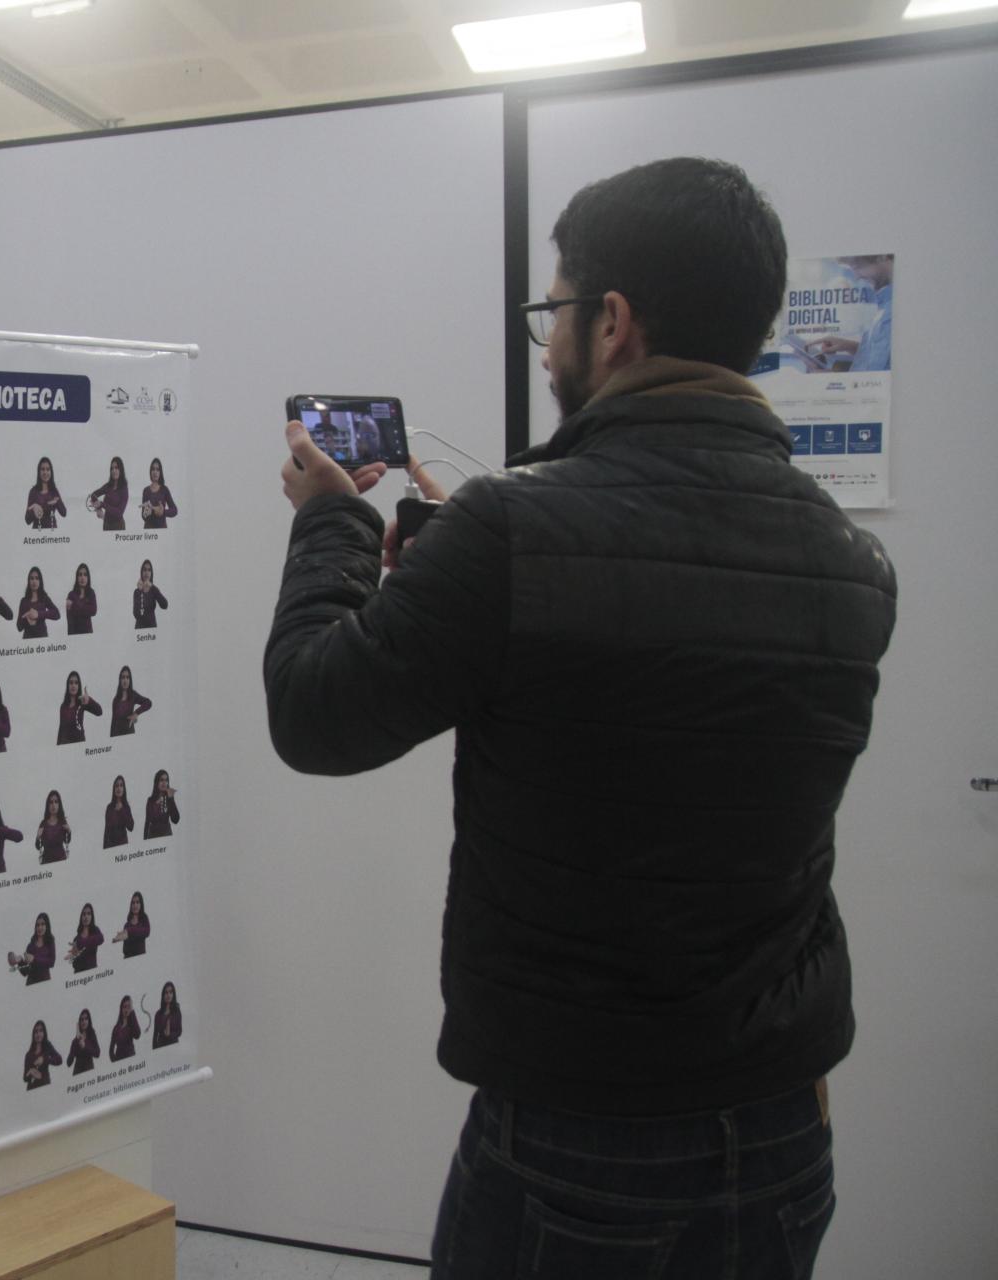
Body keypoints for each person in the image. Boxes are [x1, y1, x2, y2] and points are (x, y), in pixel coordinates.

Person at [263, 158, 896, 1279]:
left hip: (581, 1140)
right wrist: (463, 569)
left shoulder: (510, 536)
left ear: (612, 321)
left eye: (550, 312)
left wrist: (333, 526)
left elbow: (317, 714)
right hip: (786, 1126)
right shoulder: (850, 558)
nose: (546, 342)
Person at [807, 255, 893, 373]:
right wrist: (850, 346)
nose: (856, 277)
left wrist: (832, 378)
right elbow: (879, 358)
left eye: (858, 267)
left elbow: (876, 378)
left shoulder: (894, 309)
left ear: (882, 258)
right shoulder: (882, 304)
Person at [7, 911, 54, 985]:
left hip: (45, 983)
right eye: (37, 925)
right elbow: (25, 973)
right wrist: (20, 961)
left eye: (42, 924)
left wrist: (34, 959)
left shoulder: (50, 942)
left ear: (47, 926)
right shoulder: (30, 946)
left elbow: (51, 962)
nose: (40, 927)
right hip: (31, 984)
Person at [56, 670, 102, 744]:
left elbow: (99, 712)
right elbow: (61, 730)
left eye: (76, 683)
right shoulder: (63, 706)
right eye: (71, 683)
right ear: (67, 685)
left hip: (79, 746)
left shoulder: (82, 702)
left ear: (79, 685)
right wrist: (58, 748)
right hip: (65, 746)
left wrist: (89, 700)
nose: (73, 685)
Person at [16, 566, 59, 639]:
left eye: (37, 578)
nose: (34, 581)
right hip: (28, 640)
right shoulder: (24, 601)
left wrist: (38, 614)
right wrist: (27, 618)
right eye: (32, 578)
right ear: (28, 581)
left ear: (40, 581)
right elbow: (19, 627)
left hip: (42, 639)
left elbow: (57, 614)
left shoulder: (44, 598)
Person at [25, 456, 67, 528]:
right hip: (37, 533)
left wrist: (57, 502)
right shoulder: (33, 491)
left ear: (51, 472)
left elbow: (64, 513)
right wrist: (33, 509)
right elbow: (27, 520)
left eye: (48, 469)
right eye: (42, 469)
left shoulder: (54, 491)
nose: (45, 472)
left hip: (52, 532)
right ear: (39, 471)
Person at [89, 456, 128, 531]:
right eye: (112, 468)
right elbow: (93, 495)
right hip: (106, 525)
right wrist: (98, 509)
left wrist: (102, 504)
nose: (114, 470)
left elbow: (119, 513)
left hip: (118, 526)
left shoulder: (124, 489)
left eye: (116, 468)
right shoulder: (108, 486)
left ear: (121, 470)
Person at [111, 666, 152, 736]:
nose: (125, 680)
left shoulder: (133, 695)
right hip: (117, 735)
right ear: (120, 680)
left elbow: (148, 703)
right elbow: (113, 723)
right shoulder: (116, 699)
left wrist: (136, 713)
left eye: (127, 677)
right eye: (123, 677)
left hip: (129, 734)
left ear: (130, 680)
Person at [22, 1020, 62, 1089]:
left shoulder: (47, 1046)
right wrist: (30, 1072)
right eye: (36, 1031)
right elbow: (25, 1078)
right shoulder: (28, 1054)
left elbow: (59, 1060)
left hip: (45, 1087)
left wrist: (44, 1059)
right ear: (33, 1034)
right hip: (31, 1089)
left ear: (44, 1033)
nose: (38, 1034)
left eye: (41, 1031)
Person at [35, 790, 71, 864]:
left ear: (59, 804)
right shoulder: (43, 823)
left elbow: (67, 841)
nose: (53, 805)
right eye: (51, 802)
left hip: (61, 861)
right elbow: (38, 847)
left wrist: (69, 831)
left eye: (56, 802)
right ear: (48, 805)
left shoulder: (62, 822)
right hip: (47, 863)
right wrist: (38, 837)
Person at [140, 457, 178, 529]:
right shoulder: (146, 490)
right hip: (148, 531)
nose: (155, 472)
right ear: (150, 472)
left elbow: (174, 510)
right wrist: (148, 512)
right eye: (153, 469)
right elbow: (143, 516)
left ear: (160, 472)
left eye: (157, 469)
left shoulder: (164, 489)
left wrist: (163, 512)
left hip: (162, 531)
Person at [67, 901, 103, 972]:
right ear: (81, 917)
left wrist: (81, 943)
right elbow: (74, 963)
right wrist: (74, 956)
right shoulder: (76, 939)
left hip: (92, 972)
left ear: (92, 916)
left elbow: (101, 939)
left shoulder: (95, 931)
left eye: (89, 914)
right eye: (84, 914)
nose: (86, 916)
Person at [143, 770, 179, 840]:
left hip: (166, 836)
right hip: (152, 836)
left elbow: (175, 820)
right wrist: (144, 841)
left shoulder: (169, 799)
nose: (164, 783)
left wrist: (171, 799)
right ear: (157, 782)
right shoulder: (150, 800)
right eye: (161, 780)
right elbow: (147, 822)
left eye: (166, 780)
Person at [132, 559, 167, 629]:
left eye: (149, 570)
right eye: (144, 570)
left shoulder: (153, 590)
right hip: (139, 631)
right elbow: (137, 615)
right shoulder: (137, 592)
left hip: (152, 630)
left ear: (151, 573)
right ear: (141, 572)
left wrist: (152, 586)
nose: (147, 572)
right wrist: (141, 592)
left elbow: (164, 605)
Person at [67, 1008, 101, 1076]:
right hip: (78, 1074)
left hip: (89, 1072)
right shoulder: (75, 1041)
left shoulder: (91, 1035)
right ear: (79, 1022)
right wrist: (76, 1042)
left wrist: (85, 1047)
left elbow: (97, 1053)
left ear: (89, 1021)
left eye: (86, 1019)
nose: (84, 1021)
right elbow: (69, 1063)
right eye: (82, 1019)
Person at [101, 777, 133, 850]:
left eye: (121, 785)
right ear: (114, 789)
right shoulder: (109, 807)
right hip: (110, 846)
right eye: (117, 786)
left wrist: (122, 810)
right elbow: (106, 830)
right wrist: (104, 851)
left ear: (124, 789)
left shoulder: (126, 807)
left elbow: (131, 827)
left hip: (122, 846)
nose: (119, 788)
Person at [115, 891, 150, 958]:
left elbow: (146, 932)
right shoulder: (127, 925)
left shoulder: (144, 918)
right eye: (133, 903)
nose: (135, 905)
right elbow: (124, 949)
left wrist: (130, 931)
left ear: (141, 904)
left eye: (137, 902)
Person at [65, 563, 97, 635]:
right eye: (80, 575)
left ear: (88, 577)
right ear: (77, 577)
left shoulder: (91, 593)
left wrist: (74, 606)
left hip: (88, 634)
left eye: (85, 575)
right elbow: (69, 619)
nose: (82, 577)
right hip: (74, 634)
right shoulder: (71, 595)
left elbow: (93, 611)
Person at [108, 996, 142, 1062]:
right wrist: (115, 1061)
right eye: (124, 1007)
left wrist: (132, 1012)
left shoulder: (131, 1025)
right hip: (119, 1061)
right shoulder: (116, 1028)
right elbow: (111, 1050)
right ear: (121, 1008)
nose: (126, 1009)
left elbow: (137, 1035)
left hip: (131, 1060)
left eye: (129, 1007)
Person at [150, 981, 181, 1049]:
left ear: (173, 994)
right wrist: (154, 1052)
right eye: (166, 992)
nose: (168, 995)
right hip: (161, 1047)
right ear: (163, 995)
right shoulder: (158, 1014)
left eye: (170, 992)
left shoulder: (176, 1011)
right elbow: (155, 1036)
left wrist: (169, 1035)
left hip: (174, 1047)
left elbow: (179, 1031)